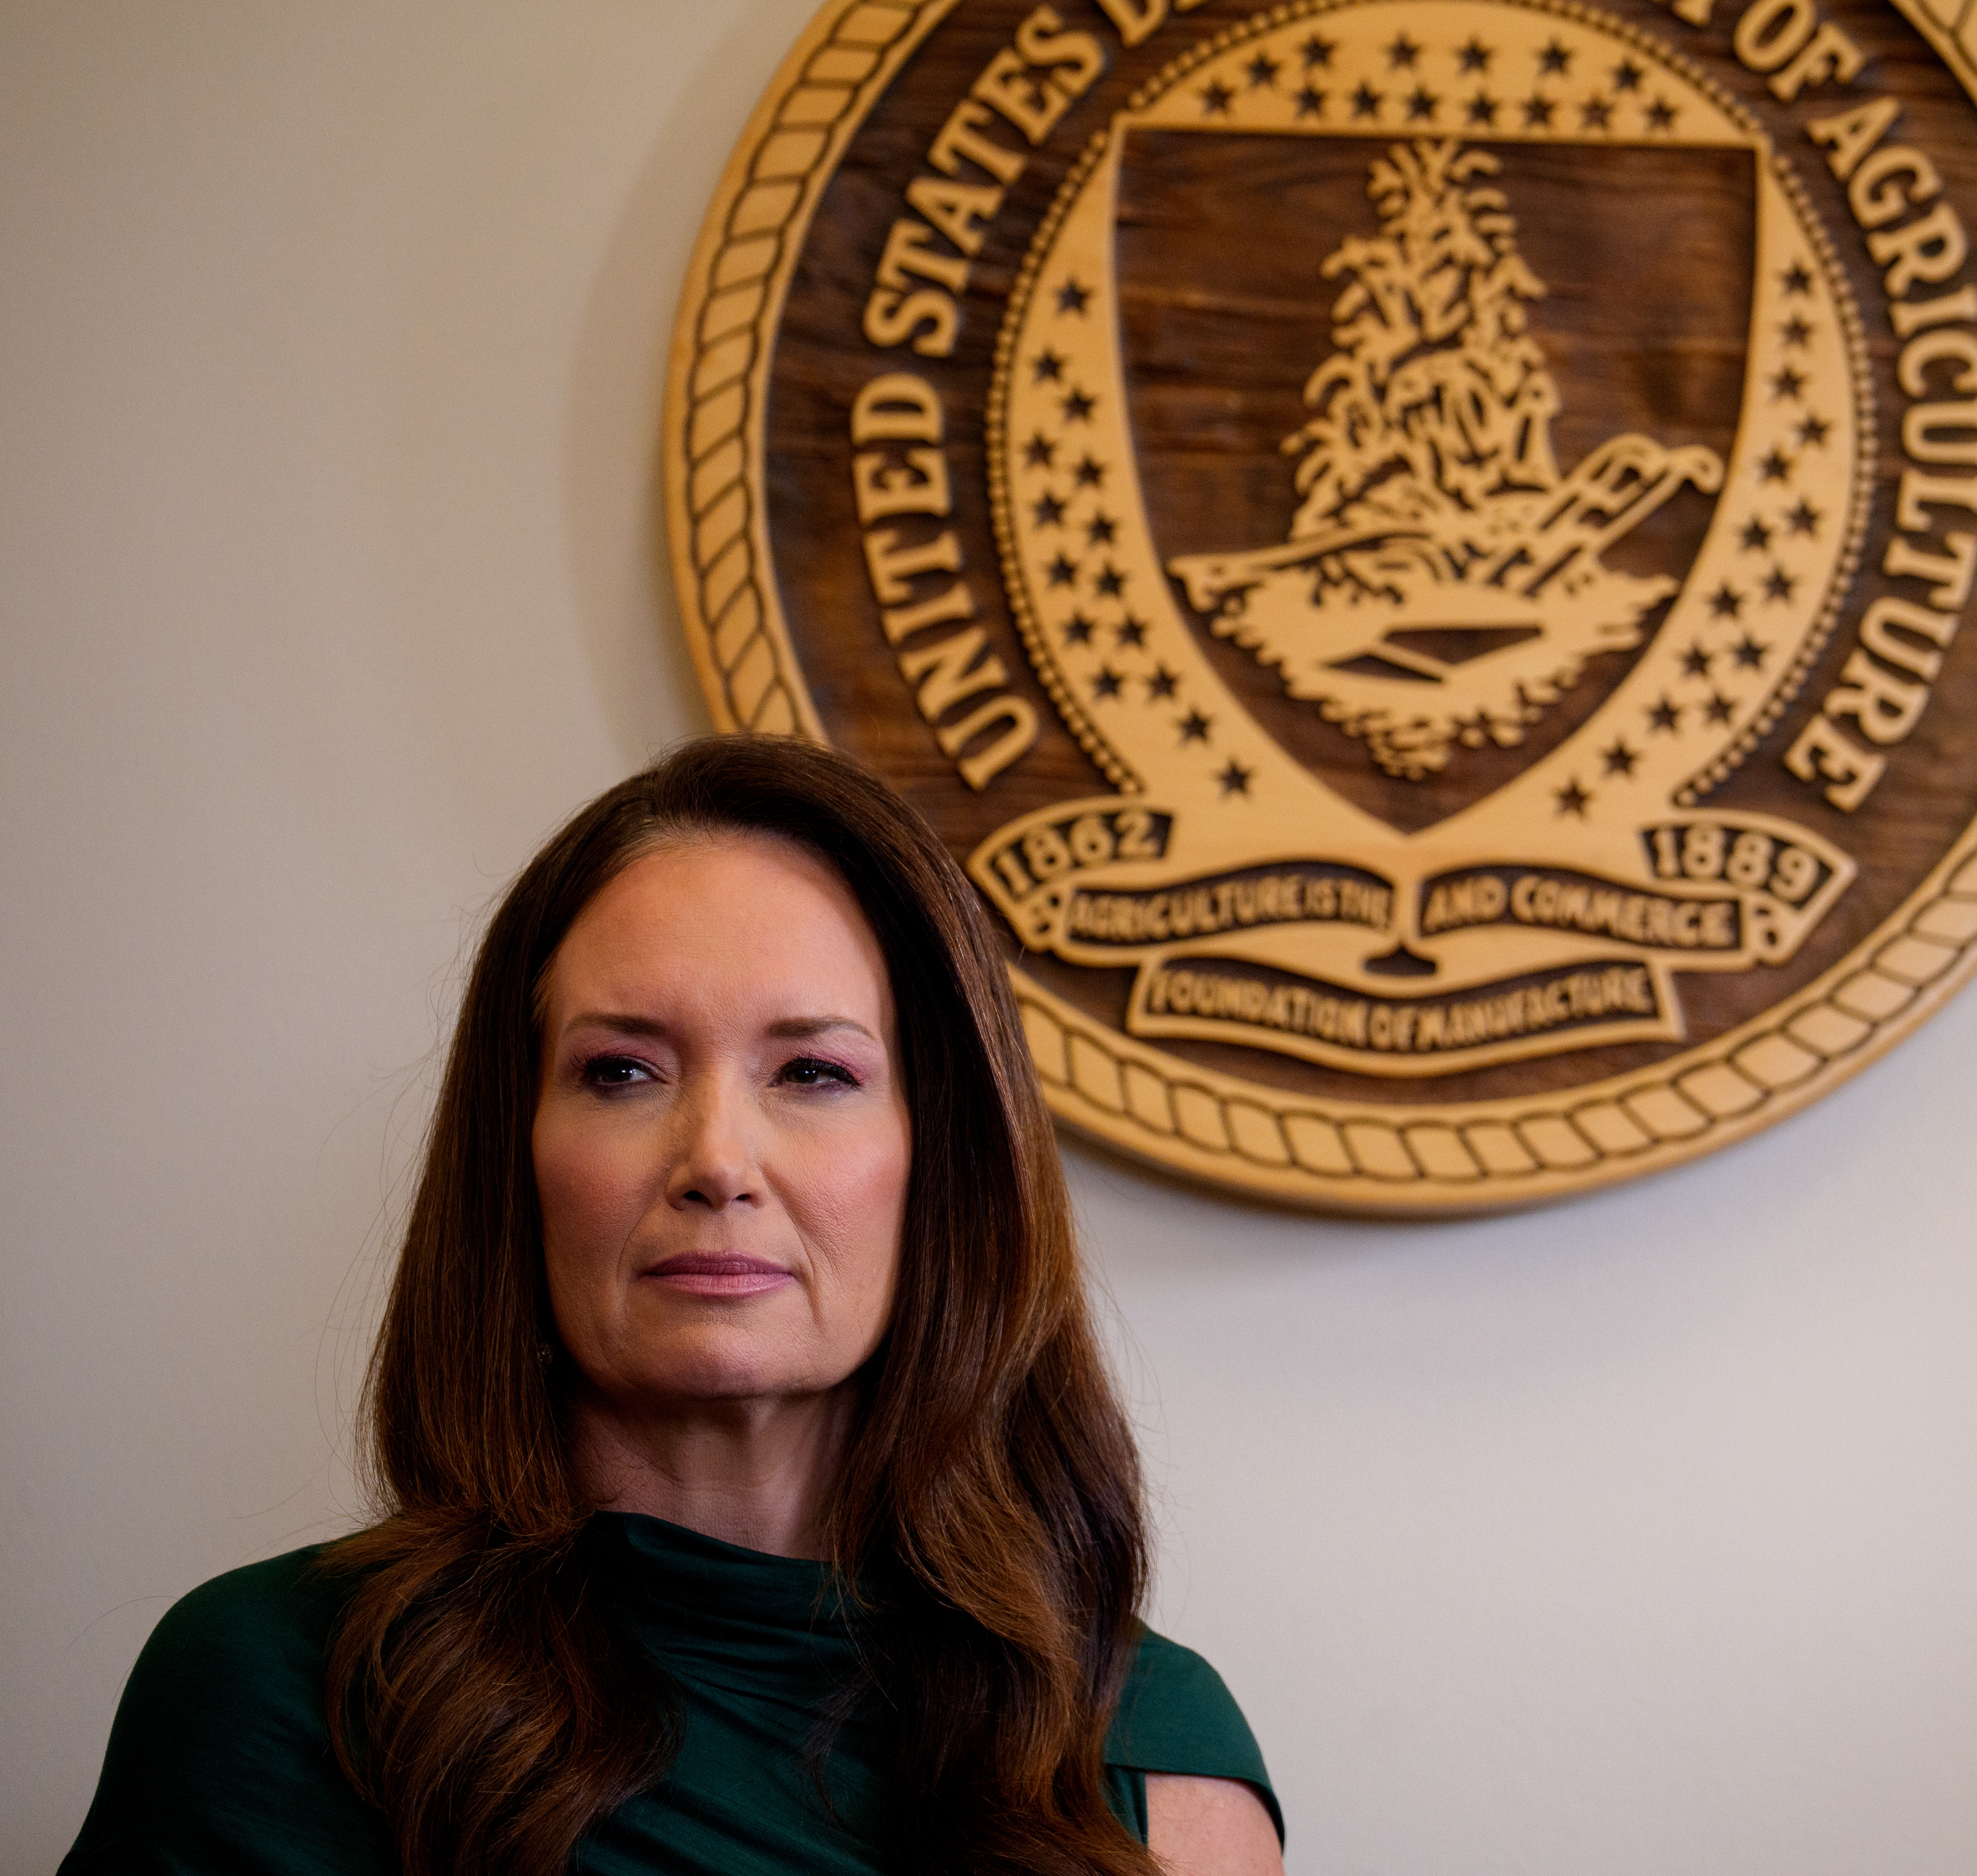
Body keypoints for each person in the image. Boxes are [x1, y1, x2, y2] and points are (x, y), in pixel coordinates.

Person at [62, 735, 1283, 1874]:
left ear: (944, 1161)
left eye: (813, 1070)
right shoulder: (272, 1695)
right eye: (623, 1069)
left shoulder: (1154, 1759)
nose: (716, 1157)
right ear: (519, 1156)